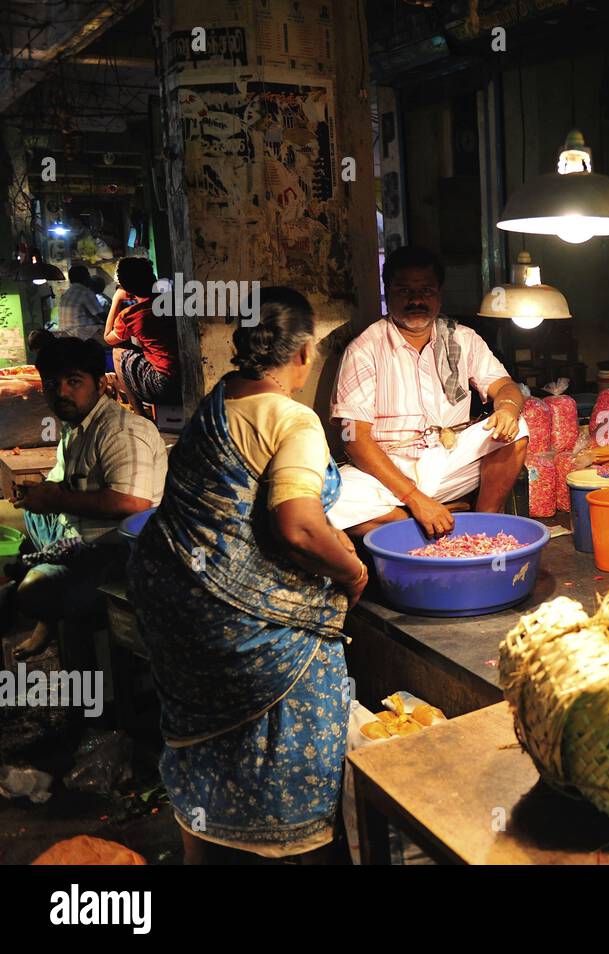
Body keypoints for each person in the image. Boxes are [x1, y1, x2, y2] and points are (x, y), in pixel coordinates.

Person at [128, 288, 366, 864]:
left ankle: (203, 852)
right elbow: (299, 526)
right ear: (304, 352)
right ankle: (293, 847)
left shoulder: (218, 401)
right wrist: (352, 571)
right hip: (242, 630)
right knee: (300, 708)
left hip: (173, 604)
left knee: (206, 749)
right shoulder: (292, 419)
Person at [328, 245, 529, 538]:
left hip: (450, 458)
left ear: (439, 292)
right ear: (388, 291)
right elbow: (354, 439)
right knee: (330, 503)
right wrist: (416, 499)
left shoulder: (462, 338)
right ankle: (422, 519)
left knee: (517, 428)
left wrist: (508, 409)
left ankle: (481, 529)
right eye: (404, 291)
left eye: (426, 291)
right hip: (389, 469)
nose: (416, 300)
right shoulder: (364, 349)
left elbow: (505, 386)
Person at [6, 332, 166, 660]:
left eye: (73, 381)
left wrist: (54, 499)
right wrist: (40, 493)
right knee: (28, 514)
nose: (61, 392)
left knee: (31, 593)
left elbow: (132, 504)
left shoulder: (120, 430)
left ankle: (47, 616)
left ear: (101, 383)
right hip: (78, 535)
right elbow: (61, 479)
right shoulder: (76, 426)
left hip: (118, 554)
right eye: (52, 384)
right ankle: (42, 582)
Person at [105, 257, 181, 411]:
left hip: (163, 386)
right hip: (188, 377)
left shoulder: (131, 316)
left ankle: (139, 412)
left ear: (126, 288)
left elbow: (108, 338)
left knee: (118, 351)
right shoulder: (174, 300)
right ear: (152, 278)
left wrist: (116, 300)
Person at [55, 264, 107, 342]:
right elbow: (102, 315)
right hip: (81, 334)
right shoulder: (85, 292)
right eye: (88, 275)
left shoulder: (66, 293)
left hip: (65, 334)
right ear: (85, 278)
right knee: (115, 335)